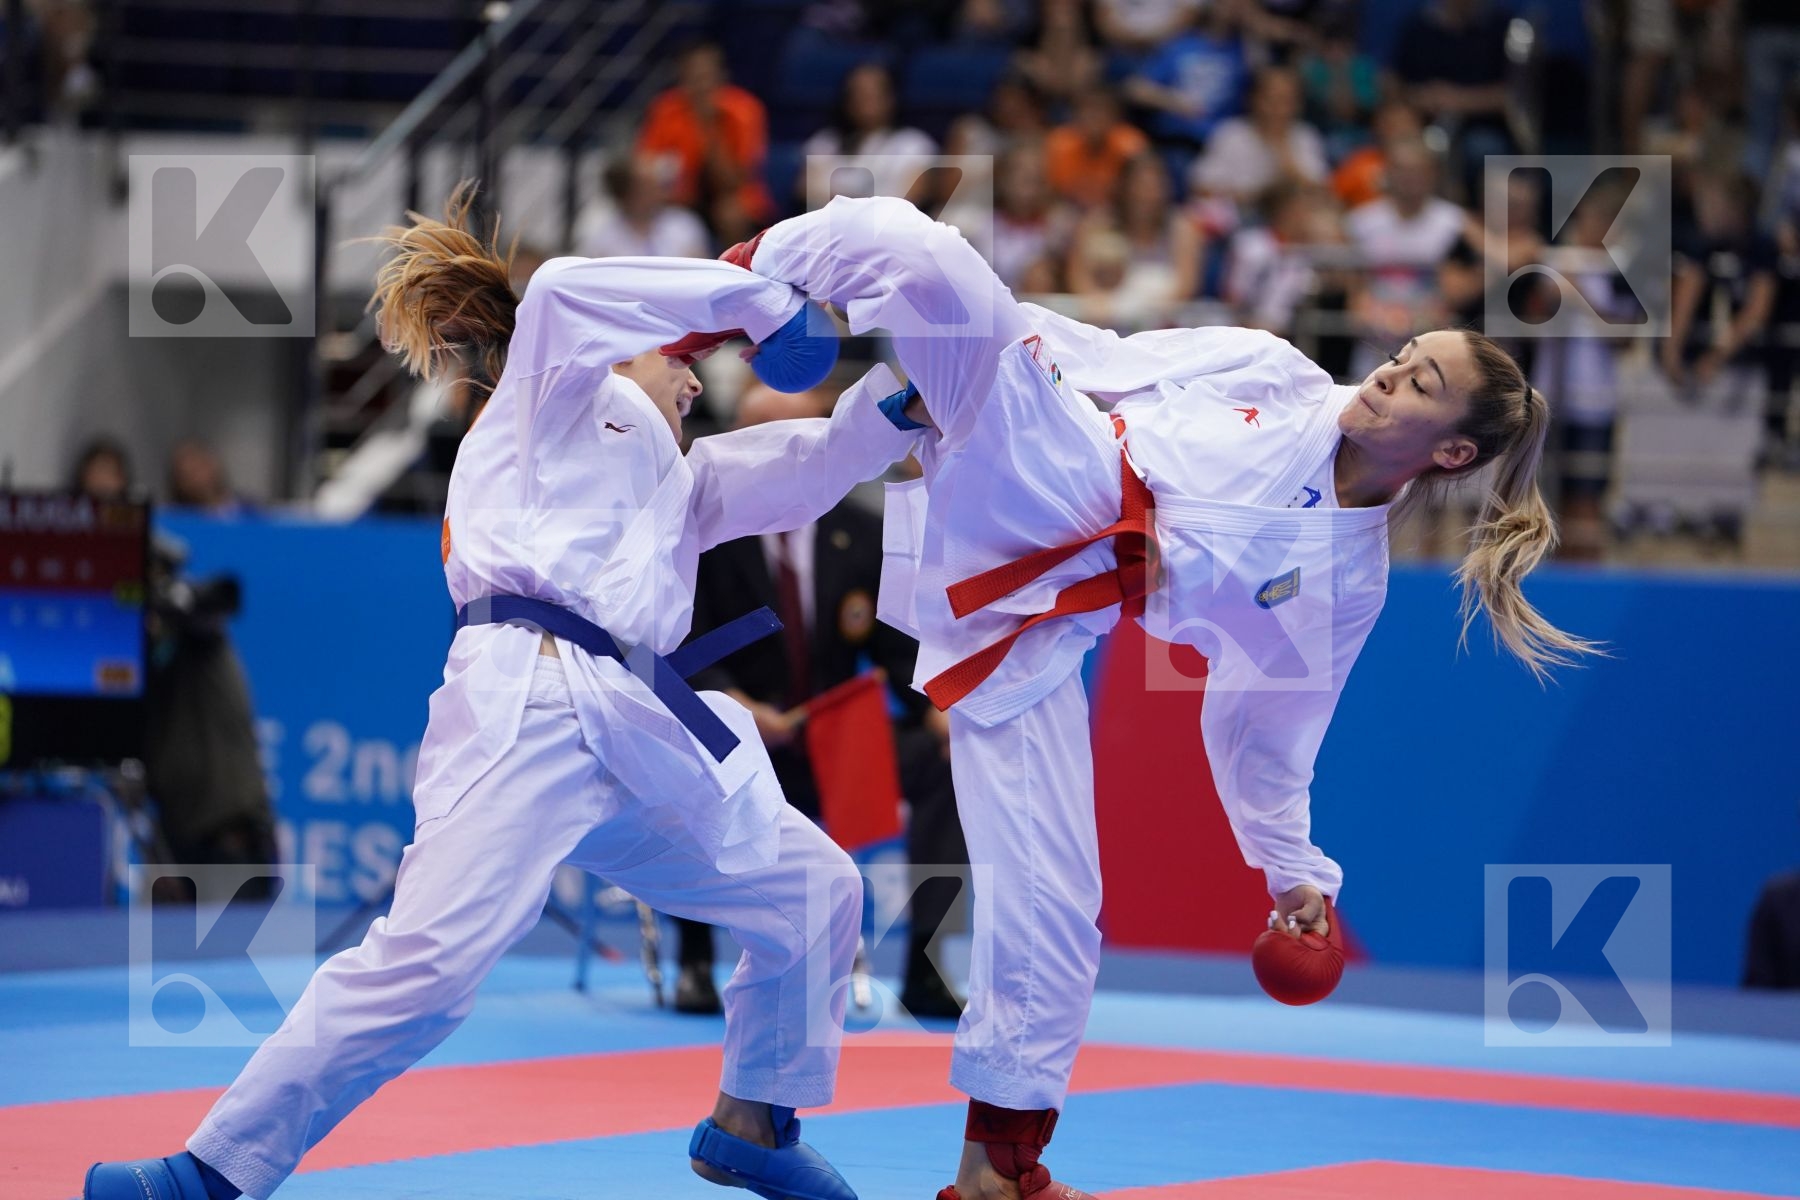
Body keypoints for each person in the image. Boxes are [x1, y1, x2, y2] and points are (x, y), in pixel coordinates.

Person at [675, 194, 1600, 1200]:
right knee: (924, 254)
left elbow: (1266, 728)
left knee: (1058, 908)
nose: (1390, 370)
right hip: (1052, 446)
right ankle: (722, 301)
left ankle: (997, 1169)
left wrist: (1295, 875)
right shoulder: (1277, 372)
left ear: (1452, 453)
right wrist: (1001, 356)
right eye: (1406, 350)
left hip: (1033, 618)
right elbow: (1113, 356)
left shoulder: (1346, 581)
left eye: (1423, 381)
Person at [81, 185, 929, 1200]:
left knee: (815, 891)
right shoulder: (547, 394)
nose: (697, 387)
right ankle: (209, 1170)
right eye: (684, 362)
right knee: (427, 971)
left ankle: (751, 1121)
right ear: (634, 341)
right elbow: (572, 288)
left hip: (637, 723)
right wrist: (749, 304)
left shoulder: (673, 474)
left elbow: (805, 466)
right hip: (528, 700)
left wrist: (896, 407)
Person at [671, 380, 969, 1022]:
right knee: (676, 767)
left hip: (838, 738)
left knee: (945, 763)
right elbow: (675, 641)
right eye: (762, 439)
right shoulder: (699, 533)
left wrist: (933, 706)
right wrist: (737, 702)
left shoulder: (863, 534)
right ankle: (693, 959)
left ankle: (924, 963)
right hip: (739, 735)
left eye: (797, 438)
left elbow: (897, 647)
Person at [635, 41, 773, 244]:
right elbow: (647, 164)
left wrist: (708, 126)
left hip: (733, 196)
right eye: (693, 77)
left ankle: (734, 269)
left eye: (706, 76)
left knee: (731, 213)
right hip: (678, 196)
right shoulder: (665, 109)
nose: (701, 85)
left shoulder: (746, 110)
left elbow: (735, 180)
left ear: (721, 76)